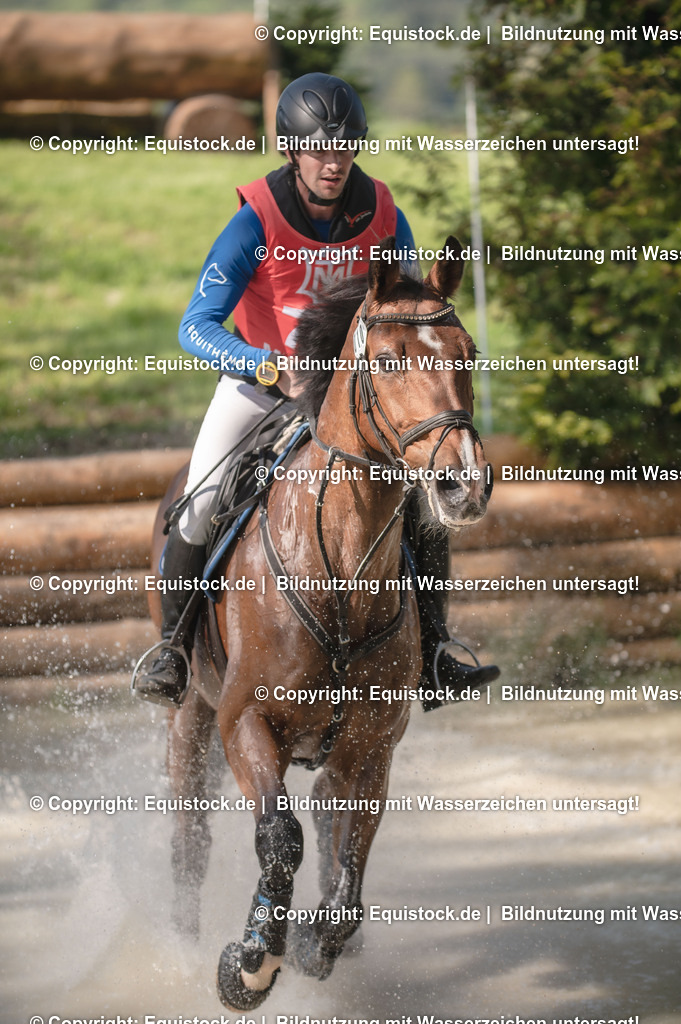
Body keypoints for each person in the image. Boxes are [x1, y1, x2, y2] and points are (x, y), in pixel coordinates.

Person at [134, 72, 499, 708]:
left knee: (422, 507)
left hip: (354, 397)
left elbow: (410, 308)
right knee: (199, 499)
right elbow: (195, 326)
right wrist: (268, 366)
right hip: (263, 386)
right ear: (292, 151)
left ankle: (437, 649)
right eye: (318, 150)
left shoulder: (383, 213)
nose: (333, 164)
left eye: (344, 148)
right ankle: (172, 648)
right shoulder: (255, 221)